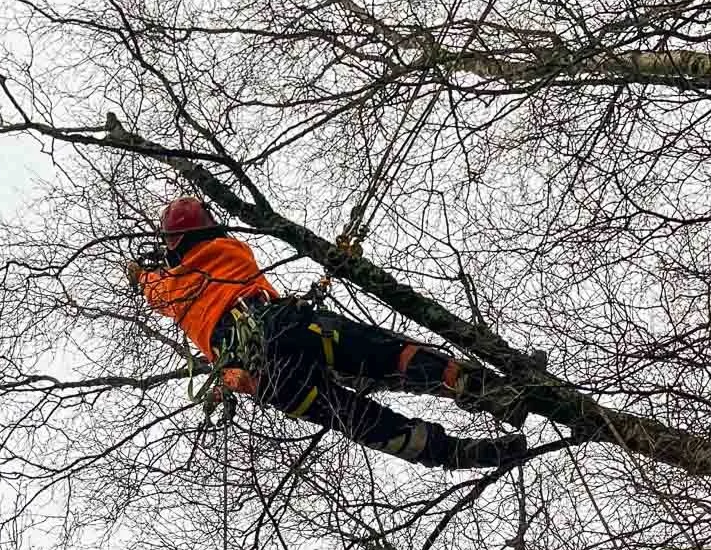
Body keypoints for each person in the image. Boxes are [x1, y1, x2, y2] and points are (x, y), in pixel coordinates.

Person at [128, 197, 533, 472]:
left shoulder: (167, 291)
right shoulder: (231, 249)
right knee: (388, 356)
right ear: (209, 228)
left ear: (174, 247)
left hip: (265, 379)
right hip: (281, 327)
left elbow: (148, 285)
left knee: (364, 421)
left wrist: (141, 271)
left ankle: (459, 455)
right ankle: (483, 389)